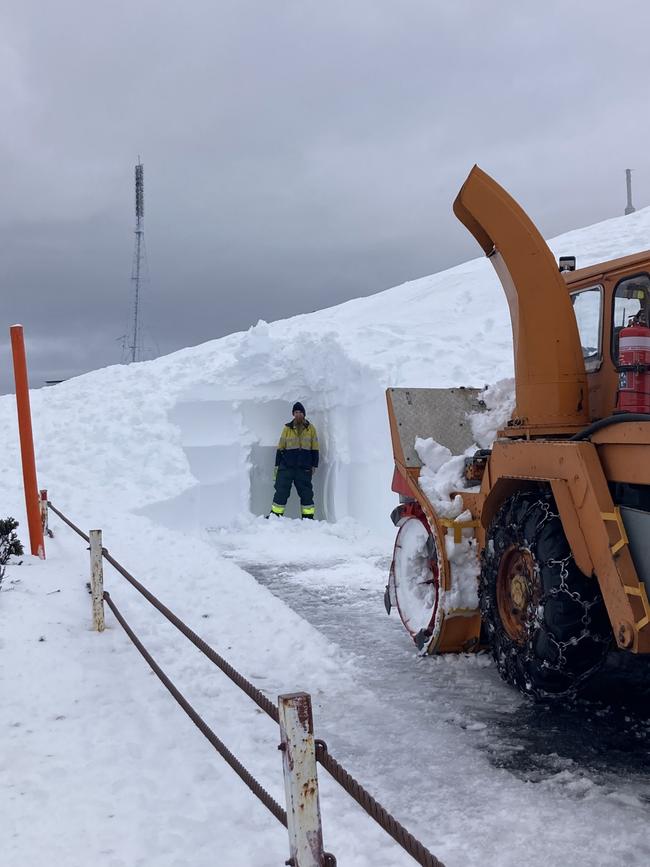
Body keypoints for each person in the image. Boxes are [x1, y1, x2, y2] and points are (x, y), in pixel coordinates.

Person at [268, 401, 319, 519]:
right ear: (293, 414)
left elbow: (315, 448)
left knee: (306, 494)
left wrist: (314, 465)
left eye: (300, 412)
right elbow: (281, 447)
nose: (298, 415)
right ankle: (275, 517)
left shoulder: (311, 429)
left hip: (303, 468)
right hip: (287, 466)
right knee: (281, 491)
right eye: (296, 412)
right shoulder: (287, 428)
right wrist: (277, 466)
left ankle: (308, 519)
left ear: (304, 414)